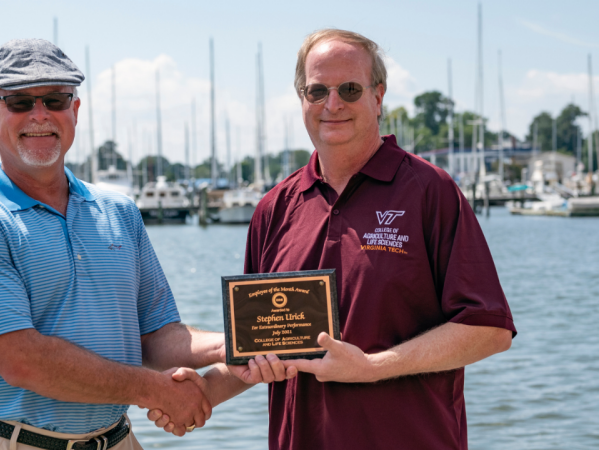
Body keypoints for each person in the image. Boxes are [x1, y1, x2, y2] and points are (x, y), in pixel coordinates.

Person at [151, 29, 516, 450]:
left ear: (378, 97)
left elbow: (488, 328)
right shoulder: (274, 208)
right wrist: (203, 392)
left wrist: (372, 367)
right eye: (317, 90)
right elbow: (265, 345)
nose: (333, 103)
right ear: (302, 100)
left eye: (349, 89)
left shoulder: (429, 190)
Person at [0, 39, 281, 450]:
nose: (39, 114)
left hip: (116, 440)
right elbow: (22, 360)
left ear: (75, 111)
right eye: (20, 101)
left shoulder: (120, 210)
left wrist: (241, 346)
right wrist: (157, 391)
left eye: (56, 99)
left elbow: (155, 337)